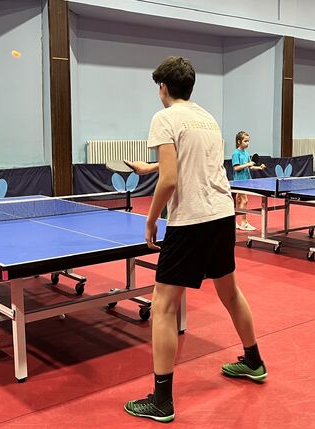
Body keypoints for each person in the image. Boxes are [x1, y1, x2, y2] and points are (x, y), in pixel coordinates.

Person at [124, 57, 266, 423]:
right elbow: (193, 161)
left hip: (190, 220)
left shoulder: (164, 117)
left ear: (163, 88)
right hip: (222, 214)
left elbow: (171, 180)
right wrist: (151, 166)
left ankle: (161, 400)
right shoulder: (207, 118)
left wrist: (151, 220)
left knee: (163, 306)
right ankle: (253, 361)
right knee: (230, 292)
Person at [232, 131, 266, 231]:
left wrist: (259, 168)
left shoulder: (246, 153)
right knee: (244, 200)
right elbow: (236, 168)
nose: (247, 143)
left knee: (239, 201)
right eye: (245, 141)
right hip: (239, 181)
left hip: (246, 180)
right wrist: (248, 164)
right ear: (239, 142)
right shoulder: (236, 153)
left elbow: (250, 167)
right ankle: (244, 223)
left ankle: (235, 222)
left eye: (248, 141)